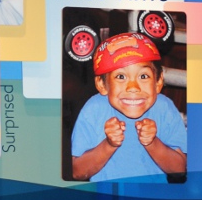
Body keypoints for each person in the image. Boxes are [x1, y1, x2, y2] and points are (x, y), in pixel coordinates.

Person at [71, 31, 187, 182]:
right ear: (102, 84)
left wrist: (152, 143)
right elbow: (77, 172)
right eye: (121, 77)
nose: (133, 87)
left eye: (143, 76)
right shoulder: (94, 109)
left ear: (158, 82)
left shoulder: (164, 108)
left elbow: (179, 170)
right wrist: (108, 145)